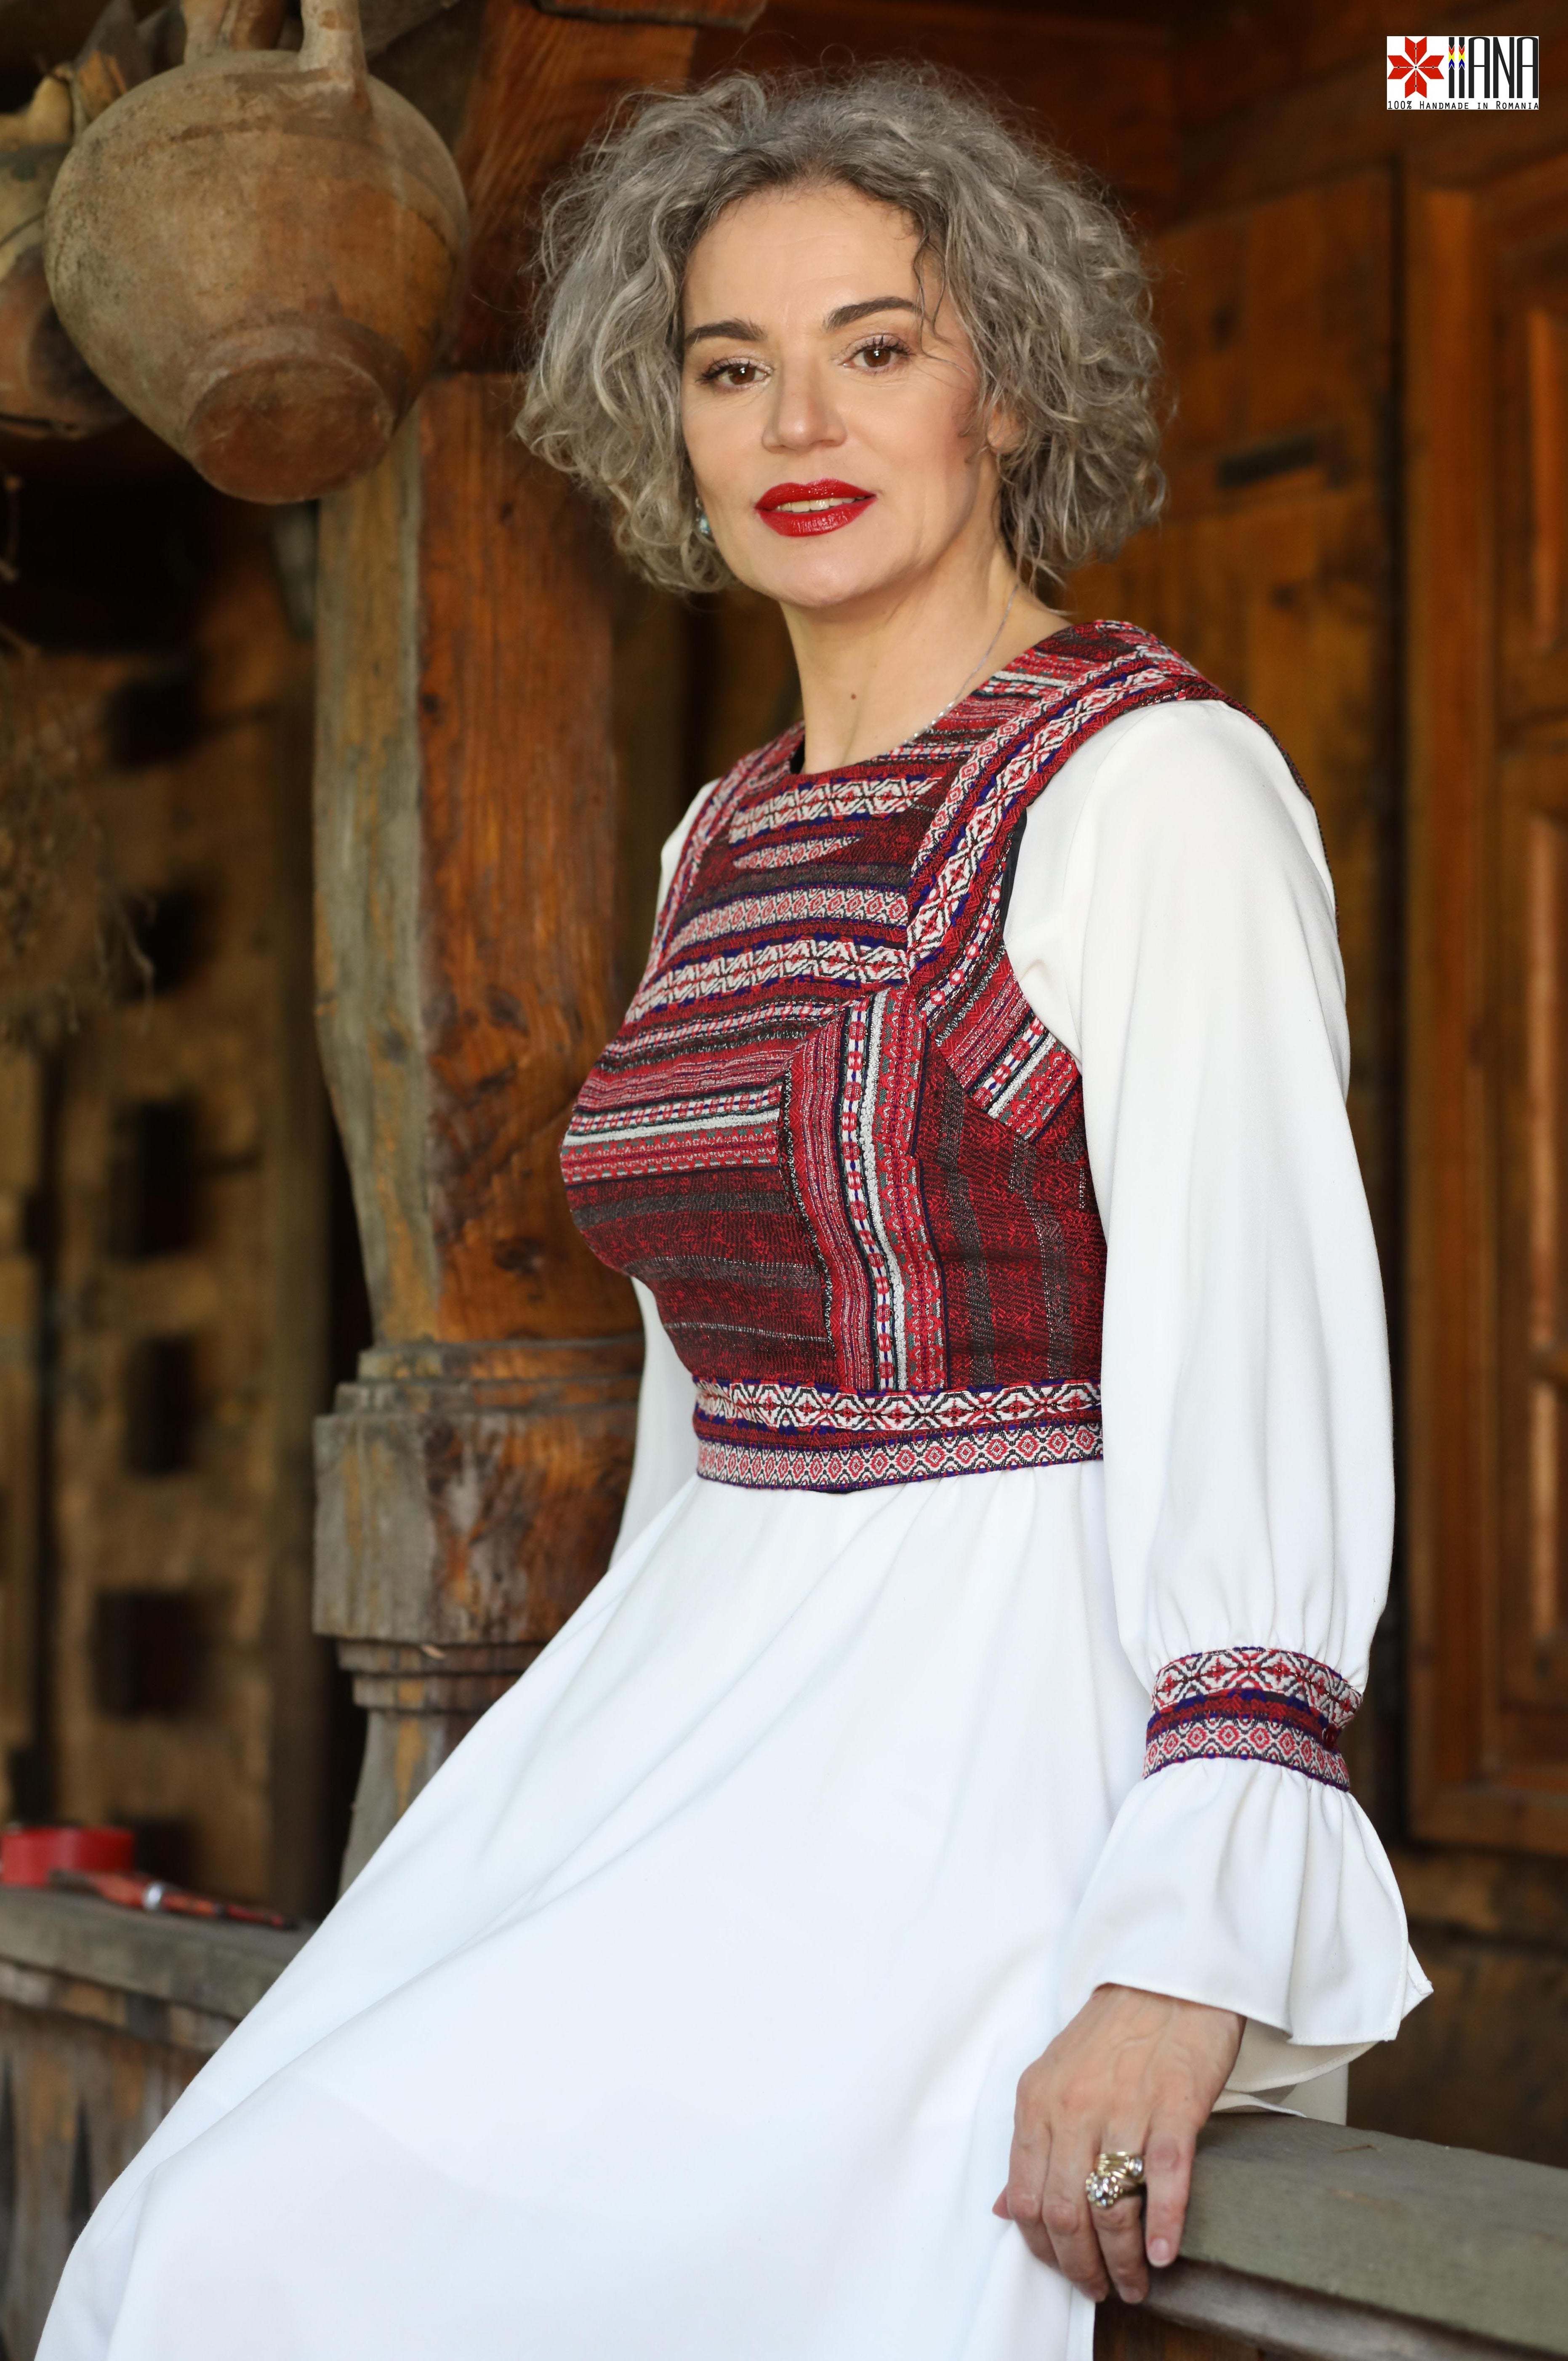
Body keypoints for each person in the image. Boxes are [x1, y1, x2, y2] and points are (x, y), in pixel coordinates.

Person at [41, 64, 1427, 2361]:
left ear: (1008, 389)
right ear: (662, 417)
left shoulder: (1153, 789)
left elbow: (1261, 1356)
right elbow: (700, 1416)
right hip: (697, 1704)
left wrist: (1177, 1951)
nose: (801, 419)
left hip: (988, 1749)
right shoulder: (722, 835)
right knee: (204, 2250)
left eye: (879, 346)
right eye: (728, 364)